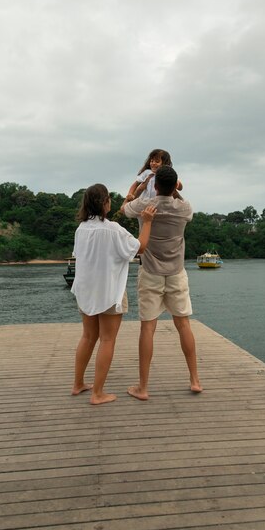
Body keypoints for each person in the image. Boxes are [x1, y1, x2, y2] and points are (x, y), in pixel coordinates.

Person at [121, 165, 202, 400]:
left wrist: (136, 189)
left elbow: (125, 209)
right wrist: (175, 190)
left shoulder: (144, 207)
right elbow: (179, 200)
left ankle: (143, 387)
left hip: (151, 273)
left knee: (148, 328)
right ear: (176, 186)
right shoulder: (184, 208)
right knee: (184, 325)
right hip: (176, 272)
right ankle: (195, 379)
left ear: (154, 186)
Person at [71, 183, 157, 405]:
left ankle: (78, 383)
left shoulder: (81, 229)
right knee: (107, 339)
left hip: (85, 290)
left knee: (88, 337)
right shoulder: (114, 229)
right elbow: (140, 247)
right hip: (108, 291)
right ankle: (97, 393)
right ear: (105, 203)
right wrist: (147, 222)